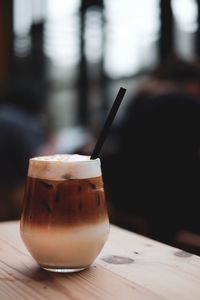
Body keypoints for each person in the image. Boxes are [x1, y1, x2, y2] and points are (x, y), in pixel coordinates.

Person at [101, 56, 200, 247]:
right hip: (163, 202)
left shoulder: (141, 98)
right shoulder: (185, 103)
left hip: (127, 193)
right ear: (193, 83)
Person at [0, 81, 56, 221]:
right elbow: (37, 160)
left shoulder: (5, 115)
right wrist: (52, 144)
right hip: (13, 189)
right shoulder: (20, 122)